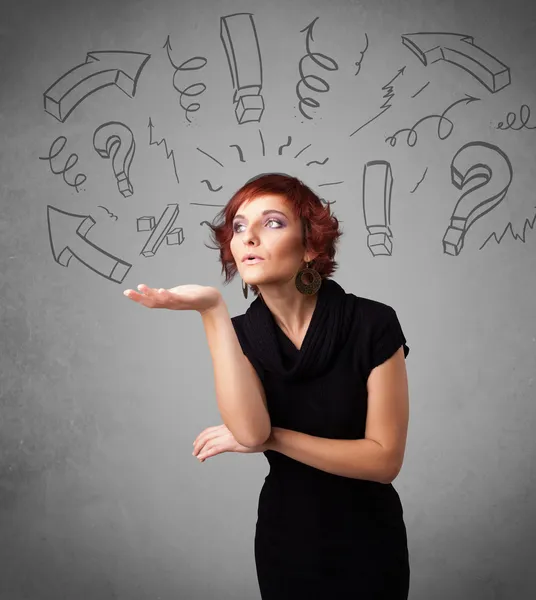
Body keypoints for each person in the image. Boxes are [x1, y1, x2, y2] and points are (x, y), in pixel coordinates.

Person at [123, 173, 411, 598]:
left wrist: (274, 439)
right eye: (239, 227)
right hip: (287, 538)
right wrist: (212, 311)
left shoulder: (372, 323)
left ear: (311, 245)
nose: (249, 238)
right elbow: (250, 432)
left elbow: (383, 462)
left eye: (272, 223)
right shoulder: (238, 332)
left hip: (369, 540)